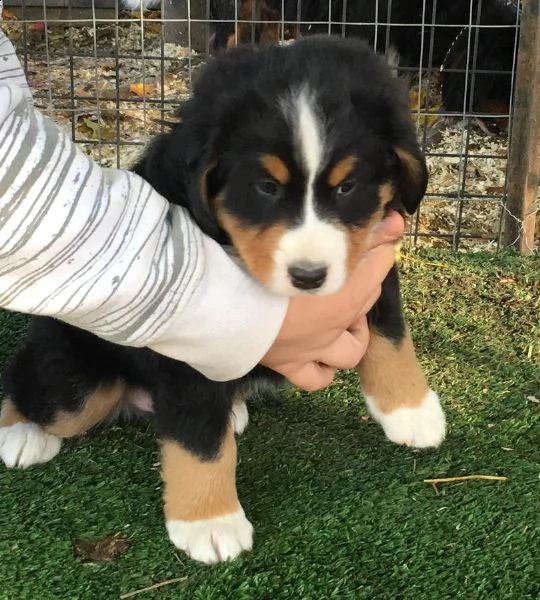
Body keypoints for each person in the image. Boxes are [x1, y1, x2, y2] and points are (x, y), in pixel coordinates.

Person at [0, 28, 404, 392]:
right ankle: (22, 411)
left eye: (346, 186)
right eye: (267, 186)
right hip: (118, 353)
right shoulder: (195, 177)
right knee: (68, 409)